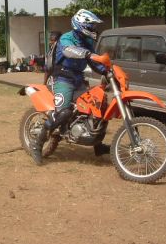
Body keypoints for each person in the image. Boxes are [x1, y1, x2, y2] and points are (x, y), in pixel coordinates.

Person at [28, 9, 110, 165]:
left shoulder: (87, 41)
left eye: (93, 26)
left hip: (78, 79)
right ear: (81, 25)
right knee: (64, 113)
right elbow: (69, 51)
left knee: (96, 106)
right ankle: (37, 144)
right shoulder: (66, 38)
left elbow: (94, 63)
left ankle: (97, 146)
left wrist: (108, 71)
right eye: (90, 25)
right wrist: (89, 55)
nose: (93, 29)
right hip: (62, 79)